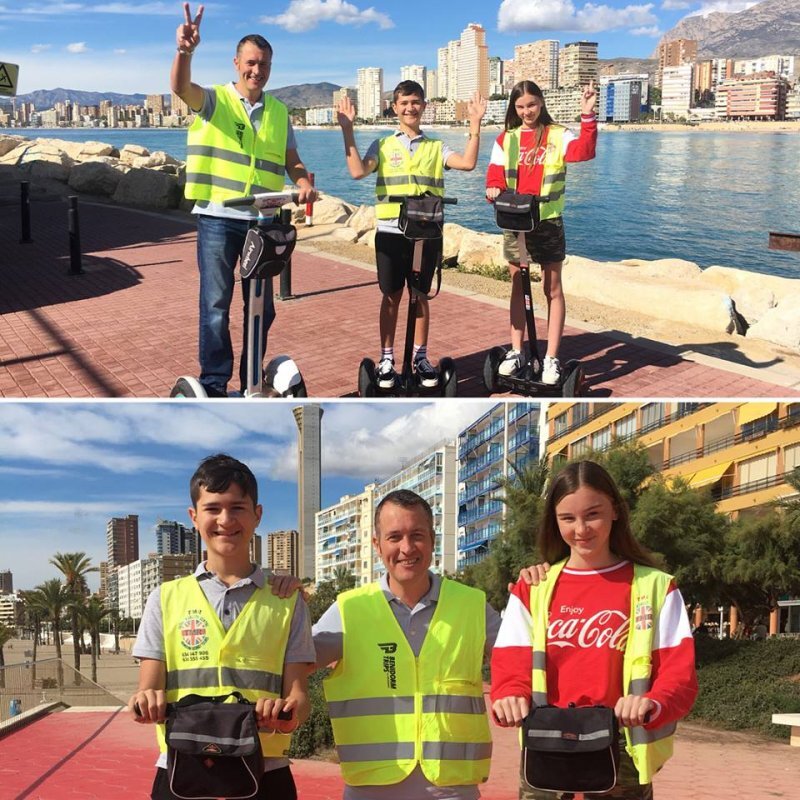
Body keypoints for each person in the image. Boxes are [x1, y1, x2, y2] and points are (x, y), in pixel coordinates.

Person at [491, 460, 697, 800]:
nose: (581, 529)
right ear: (554, 521)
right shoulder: (533, 588)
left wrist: (652, 703)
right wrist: (510, 696)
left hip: (623, 743)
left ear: (615, 511)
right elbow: (510, 665)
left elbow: (680, 675)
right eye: (567, 518)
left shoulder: (656, 587)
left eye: (593, 514)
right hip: (546, 739)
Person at [128, 453, 315, 800]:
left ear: (257, 515)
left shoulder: (287, 600)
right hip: (181, 769)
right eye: (213, 508)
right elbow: (146, 690)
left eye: (237, 507)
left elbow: (299, 697)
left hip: (265, 771)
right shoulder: (165, 599)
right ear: (194, 517)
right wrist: (144, 702)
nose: (225, 520)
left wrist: (287, 715)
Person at [313, 489, 501, 800]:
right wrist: (281, 599)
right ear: (376, 544)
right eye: (394, 537)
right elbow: (291, 660)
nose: (406, 548)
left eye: (417, 535)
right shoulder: (349, 610)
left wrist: (537, 590)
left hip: (452, 789)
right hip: (370, 790)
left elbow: (526, 658)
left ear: (433, 539)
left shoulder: (472, 606)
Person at [171, 4, 317, 397]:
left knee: (261, 308)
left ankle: (252, 380)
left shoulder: (279, 112)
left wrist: (302, 181)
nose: (258, 70)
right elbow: (181, 88)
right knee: (216, 305)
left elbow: (293, 161)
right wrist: (185, 52)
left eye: (265, 64)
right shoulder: (216, 100)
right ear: (237, 62)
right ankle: (215, 383)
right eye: (252, 62)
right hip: (218, 218)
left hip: (262, 222)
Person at [337, 82, 487, 390]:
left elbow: (468, 164)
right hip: (391, 232)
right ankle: (387, 358)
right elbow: (357, 171)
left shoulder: (435, 146)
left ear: (424, 105)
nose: (410, 108)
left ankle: (420, 356)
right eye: (404, 102)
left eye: (415, 102)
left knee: (419, 296)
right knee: (390, 296)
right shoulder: (382, 145)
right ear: (394, 107)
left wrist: (475, 125)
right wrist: (347, 130)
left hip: (425, 233)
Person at [485, 80, 597, 385]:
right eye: (520, 107)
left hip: (547, 221)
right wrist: (492, 188)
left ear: (541, 103)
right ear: (514, 108)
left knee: (552, 288)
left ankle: (551, 359)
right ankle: (517, 351)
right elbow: (494, 174)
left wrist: (587, 115)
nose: (526, 112)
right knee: (517, 286)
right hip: (514, 220)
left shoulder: (558, 135)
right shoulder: (506, 139)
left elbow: (584, 152)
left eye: (532, 105)